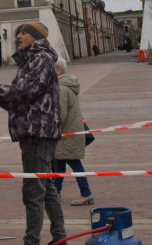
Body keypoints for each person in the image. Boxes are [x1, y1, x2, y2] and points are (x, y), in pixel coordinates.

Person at [0, 22, 67, 245]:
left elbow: (26, 91)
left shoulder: (41, 58)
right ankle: (60, 237)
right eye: (19, 32)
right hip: (34, 131)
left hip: (38, 132)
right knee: (46, 189)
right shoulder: (32, 61)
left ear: (35, 36)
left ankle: (32, 241)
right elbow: (21, 102)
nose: (19, 36)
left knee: (33, 191)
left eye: (24, 32)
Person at [53, 59, 95, 204]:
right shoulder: (66, 85)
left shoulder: (61, 88)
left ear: (58, 71)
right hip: (69, 131)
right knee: (59, 163)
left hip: (67, 133)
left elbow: (61, 115)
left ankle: (86, 193)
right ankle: (55, 193)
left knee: (74, 163)